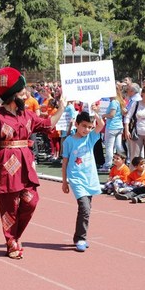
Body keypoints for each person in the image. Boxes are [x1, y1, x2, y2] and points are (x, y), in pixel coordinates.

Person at [0, 67, 66, 259]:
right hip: (6, 165)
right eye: (21, 92)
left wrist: (62, 108)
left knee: (31, 201)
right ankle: (11, 242)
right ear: (13, 95)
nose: (26, 94)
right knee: (9, 206)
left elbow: (48, 125)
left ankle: (15, 235)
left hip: (26, 164)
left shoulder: (27, 115)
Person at [62, 108, 105, 252]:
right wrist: (64, 181)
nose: (86, 129)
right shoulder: (69, 141)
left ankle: (78, 236)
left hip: (90, 177)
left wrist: (96, 113)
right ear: (76, 124)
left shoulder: (90, 138)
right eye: (84, 126)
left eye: (89, 127)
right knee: (84, 208)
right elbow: (65, 162)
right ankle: (81, 237)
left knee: (87, 209)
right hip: (76, 178)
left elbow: (101, 125)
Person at [101, 85, 126, 172]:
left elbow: (112, 115)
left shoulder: (114, 102)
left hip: (112, 127)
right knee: (119, 146)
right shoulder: (119, 101)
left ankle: (107, 165)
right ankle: (123, 161)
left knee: (109, 147)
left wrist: (104, 115)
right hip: (119, 126)